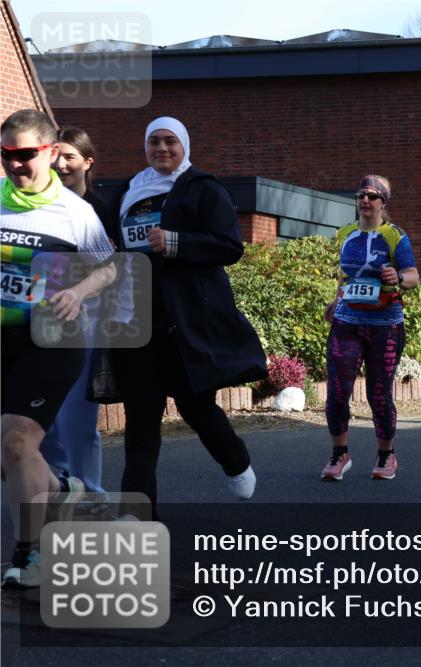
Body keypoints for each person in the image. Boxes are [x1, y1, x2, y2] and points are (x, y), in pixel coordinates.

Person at [108, 117, 266, 513]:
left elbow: (230, 245)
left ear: (184, 146)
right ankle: (136, 517)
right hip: (135, 323)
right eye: (154, 142)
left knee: (197, 409)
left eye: (170, 142)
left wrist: (176, 242)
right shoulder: (129, 190)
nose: (161, 149)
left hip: (186, 324)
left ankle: (235, 458)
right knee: (141, 427)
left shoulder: (202, 188)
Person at [1, 109, 117, 587]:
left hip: (53, 341)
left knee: (14, 441)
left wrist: (77, 292)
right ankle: (65, 488)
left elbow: (109, 268)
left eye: (25, 154)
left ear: (50, 153)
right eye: (5, 155)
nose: (14, 165)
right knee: (10, 454)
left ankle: (28, 557)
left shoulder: (75, 213)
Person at [322, 175, 418, 482]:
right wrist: (335, 301)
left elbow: (413, 275)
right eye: (361, 195)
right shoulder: (345, 234)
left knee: (379, 394)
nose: (366, 201)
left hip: (385, 325)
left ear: (383, 203)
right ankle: (340, 455)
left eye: (373, 197)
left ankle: (386, 456)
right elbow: (345, 277)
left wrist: (397, 278)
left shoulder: (395, 236)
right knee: (338, 392)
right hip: (347, 322)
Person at [39, 127, 116, 492]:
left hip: (87, 318)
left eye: (70, 156)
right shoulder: (39, 206)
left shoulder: (100, 210)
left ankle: (89, 491)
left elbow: (116, 268)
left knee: (76, 416)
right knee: (41, 413)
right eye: (56, 155)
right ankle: (56, 485)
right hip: (38, 319)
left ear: (87, 162)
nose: (61, 164)